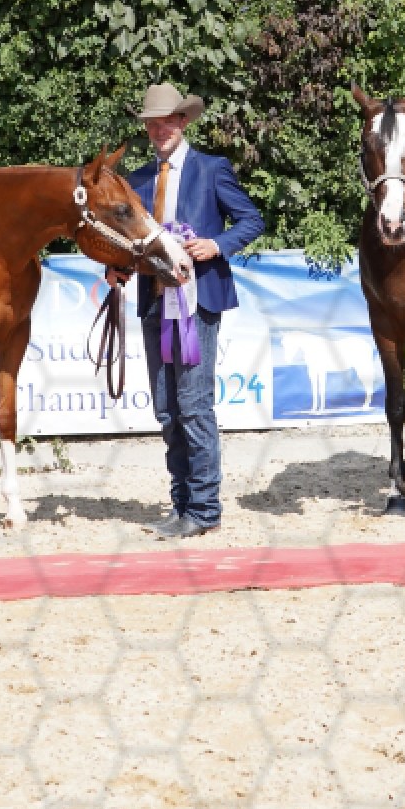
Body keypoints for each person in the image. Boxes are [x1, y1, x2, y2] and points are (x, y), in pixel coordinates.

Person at [109, 83, 265, 539]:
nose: (160, 131)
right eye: (152, 125)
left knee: (194, 406)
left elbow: (252, 220)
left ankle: (204, 509)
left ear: (182, 122)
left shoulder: (212, 169)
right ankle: (181, 506)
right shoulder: (138, 180)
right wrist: (118, 268)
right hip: (155, 301)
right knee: (166, 409)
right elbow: (131, 241)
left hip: (198, 301)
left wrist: (217, 244)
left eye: (167, 123)